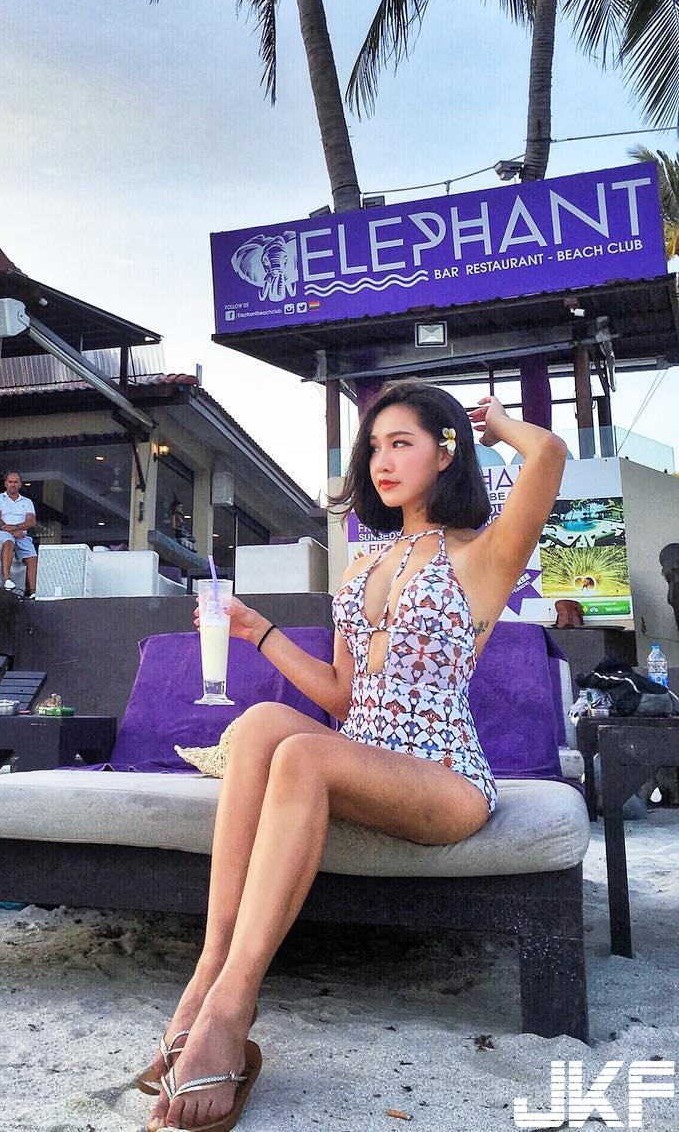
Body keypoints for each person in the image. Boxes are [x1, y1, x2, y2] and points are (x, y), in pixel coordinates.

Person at [139, 382, 567, 1132]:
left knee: (304, 756)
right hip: (361, 752)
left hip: (444, 777)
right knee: (265, 721)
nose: (382, 461)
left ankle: (233, 1006)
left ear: (445, 452)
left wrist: (498, 424)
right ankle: (208, 972)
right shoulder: (362, 563)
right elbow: (342, 695)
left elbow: (551, 454)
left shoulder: (485, 552)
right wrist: (257, 631)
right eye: (374, 447)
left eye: (402, 443)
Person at [0, 471, 38, 596]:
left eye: (15, 482)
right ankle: (7, 580)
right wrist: (11, 531)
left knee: (32, 556)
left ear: (20, 484)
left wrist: (15, 528)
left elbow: (31, 522)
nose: (13, 484)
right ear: (5, 484)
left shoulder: (27, 501)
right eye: (10, 482)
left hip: (21, 534)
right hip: (2, 531)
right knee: (8, 542)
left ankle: (33, 591)